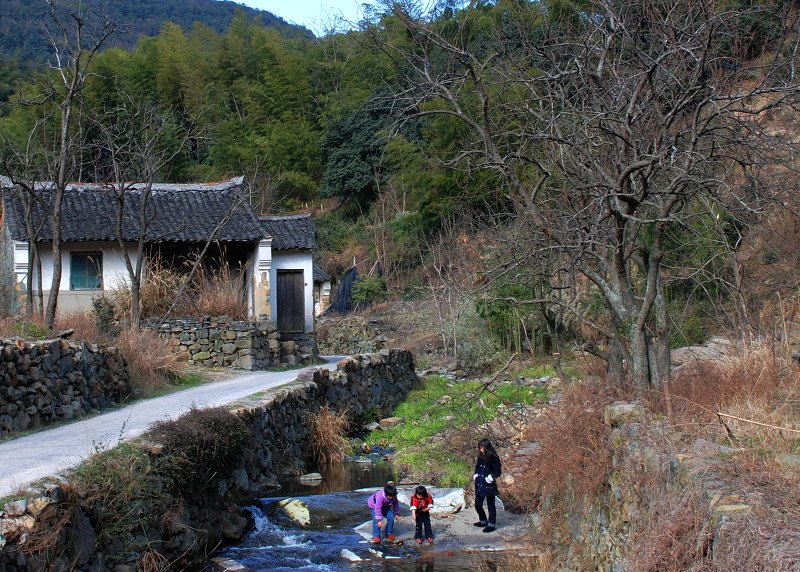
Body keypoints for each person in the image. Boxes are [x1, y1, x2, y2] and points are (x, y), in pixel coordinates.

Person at [473, 438, 502, 533]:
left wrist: (490, 478)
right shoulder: (481, 456)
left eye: (482, 447)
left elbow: (497, 471)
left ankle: (491, 524)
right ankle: (483, 520)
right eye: (480, 447)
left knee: (491, 505)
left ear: (486, 447)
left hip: (489, 484)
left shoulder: (494, 457)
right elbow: (477, 467)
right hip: (480, 483)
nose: (480, 449)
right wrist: (476, 474)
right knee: (478, 504)